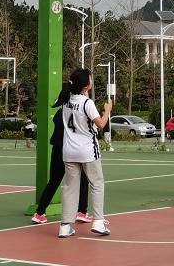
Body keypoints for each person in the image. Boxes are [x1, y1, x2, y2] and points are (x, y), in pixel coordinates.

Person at [56, 67, 112, 239]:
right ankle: (98, 222)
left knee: (70, 188)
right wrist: (108, 110)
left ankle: (65, 226)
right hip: (87, 150)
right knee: (97, 183)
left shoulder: (65, 100)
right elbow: (101, 124)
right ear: (86, 85)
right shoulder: (87, 103)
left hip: (69, 151)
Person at [30, 105, 89, 225]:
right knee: (82, 180)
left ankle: (39, 213)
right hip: (72, 149)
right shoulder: (78, 112)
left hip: (57, 149)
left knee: (54, 181)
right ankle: (82, 212)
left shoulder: (60, 113)